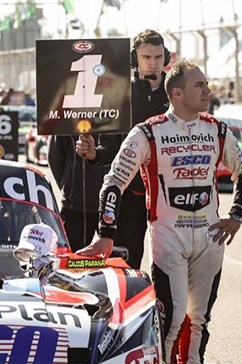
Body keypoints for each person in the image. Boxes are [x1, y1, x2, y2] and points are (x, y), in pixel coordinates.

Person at [80, 61, 242, 364]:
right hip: (168, 235)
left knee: (199, 316)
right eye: (199, 85)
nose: (207, 90)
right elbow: (113, 183)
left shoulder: (217, 130)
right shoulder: (148, 132)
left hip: (210, 236)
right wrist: (106, 234)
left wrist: (236, 216)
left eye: (206, 84)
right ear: (176, 93)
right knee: (171, 316)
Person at [75, 29, 171, 270]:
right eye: (147, 57)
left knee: (171, 263)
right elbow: (109, 148)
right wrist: (93, 153)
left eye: (158, 57)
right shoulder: (120, 92)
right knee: (125, 263)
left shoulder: (177, 90)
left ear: (166, 57)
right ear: (134, 58)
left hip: (169, 194)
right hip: (130, 194)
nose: (153, 63)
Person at [48, 136, 109, 251]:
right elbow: (55, 159)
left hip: (113, 206)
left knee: (117, 258)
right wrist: (70, 188)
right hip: (75, 208)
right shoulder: (67, 125)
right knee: (71, 257)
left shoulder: (117, 125)